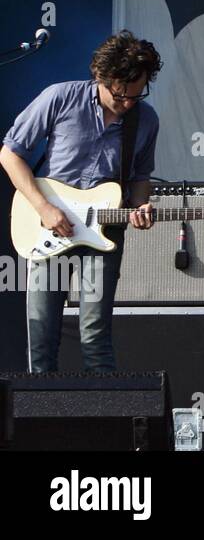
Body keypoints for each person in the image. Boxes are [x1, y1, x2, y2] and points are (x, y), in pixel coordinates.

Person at [1, 31, 161, 372]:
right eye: (120, 96)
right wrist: (44, 208)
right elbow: (9, 155)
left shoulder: (145, 120)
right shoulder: (59, 98)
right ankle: (39, 423)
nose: (128, 103)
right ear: (101, 78)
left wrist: (140, 208)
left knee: (95, 339)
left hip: (104, 232)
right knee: (41, 339)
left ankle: (102, 422)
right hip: (50, 227)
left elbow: (140, 177)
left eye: (137, 95)